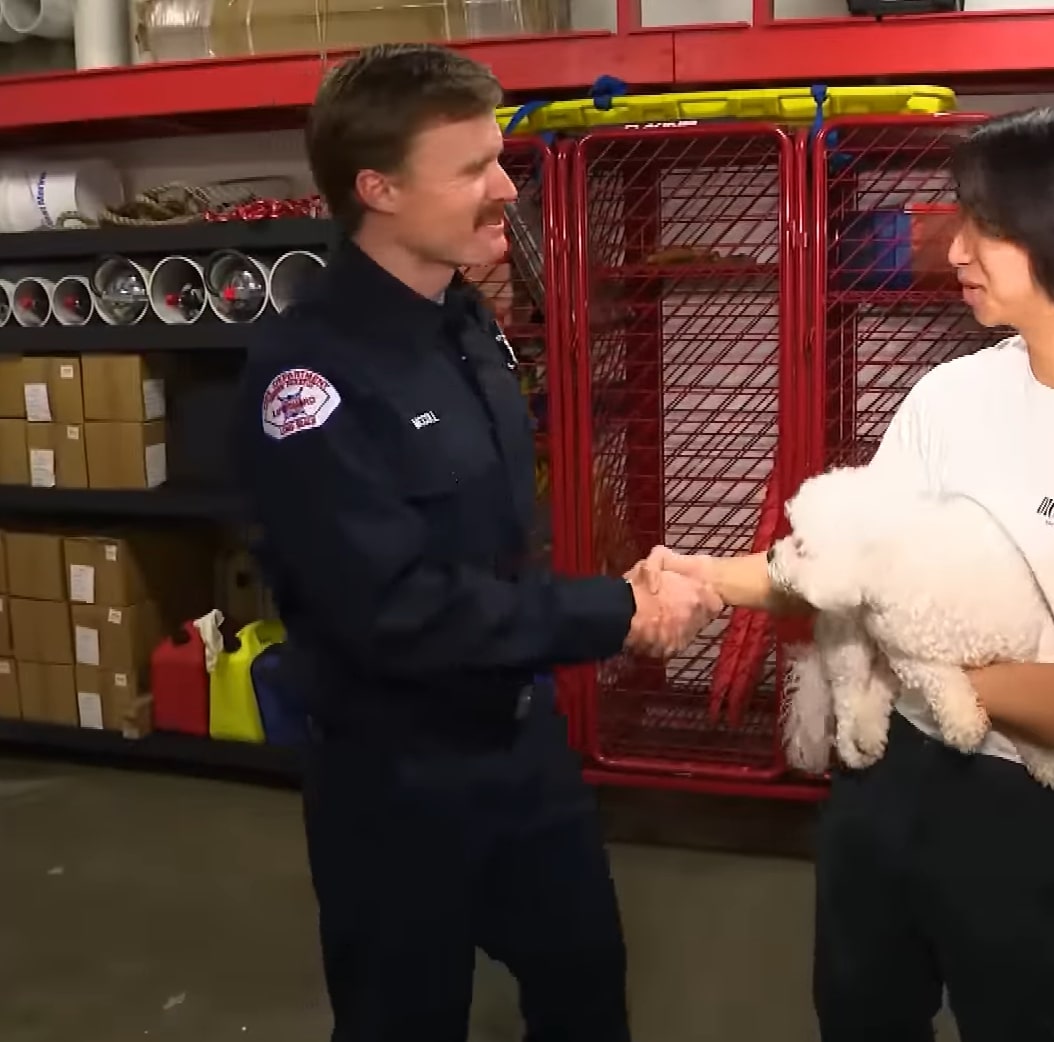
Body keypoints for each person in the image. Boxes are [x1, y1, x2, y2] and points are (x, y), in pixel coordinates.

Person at [647, 101, 1054, 1041]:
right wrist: (705, 577)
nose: (954, 248)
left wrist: (915, 653)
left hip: (1021, 808)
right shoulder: (952, 393)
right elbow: (852, 564)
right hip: (883, 770)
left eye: (985, 226)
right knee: (857, 1013)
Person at [230, 43, 719, 1042]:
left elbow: (491, 550)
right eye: (472, 169)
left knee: (586, 986)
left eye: (499, 158)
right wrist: (615, 612)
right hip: (395, 782)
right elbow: (396, 609)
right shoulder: (310, 379)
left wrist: (606, 595)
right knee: (403, 1018)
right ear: (379, 189)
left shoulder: (463, 321)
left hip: (522, 745)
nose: (505, 186)